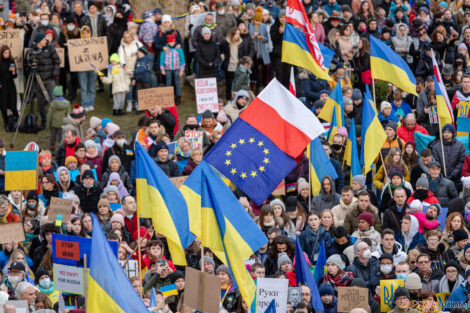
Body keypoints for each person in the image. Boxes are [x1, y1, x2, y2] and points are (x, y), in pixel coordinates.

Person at [26, 32, 60, 130]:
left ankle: (55, 121)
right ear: (39, 41)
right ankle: (44, 120)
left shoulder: (50, 49)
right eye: (44, 39)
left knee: (53, 100)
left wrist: (54, 73)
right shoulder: (32, 51)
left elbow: (57, 61)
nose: (46, 41)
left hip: (50, 79)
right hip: (38, 79)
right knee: (40, 102)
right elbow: (27, 62)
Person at [431, 124, 465, 188]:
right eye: (444, 132)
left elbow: (461, 162)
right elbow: (436, 162)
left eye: (448, 132)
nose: (446, 134)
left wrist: (452, 175)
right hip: (441, 179)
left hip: (456, 180)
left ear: (452, 134)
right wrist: (441, 175)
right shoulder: (436, 147)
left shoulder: (460, 146)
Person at [0, 45, 18, 132]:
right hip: (3, 86)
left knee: (12, 105)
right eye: (5, 53)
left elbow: (15, 76)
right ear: (2, 54)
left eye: (8, 52)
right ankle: (6, 123)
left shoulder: (11, 61)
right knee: (3, 106)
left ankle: (16, 120)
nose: (7, 54)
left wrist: (14, 71)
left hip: (11, 86)